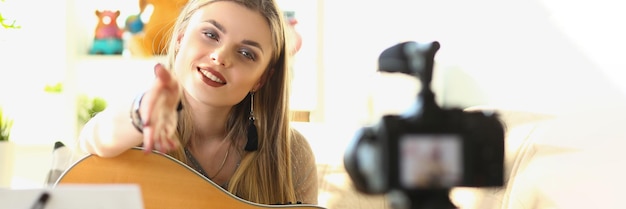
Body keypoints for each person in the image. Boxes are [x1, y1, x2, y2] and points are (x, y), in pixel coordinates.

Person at [77, 0, 318, 205]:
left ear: (262, 79)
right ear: (181, 38)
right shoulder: (135, 123)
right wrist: (140, 114)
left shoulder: (291, 154)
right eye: (211, 35)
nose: (220, 57)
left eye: (246, 53)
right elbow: (93, 138)